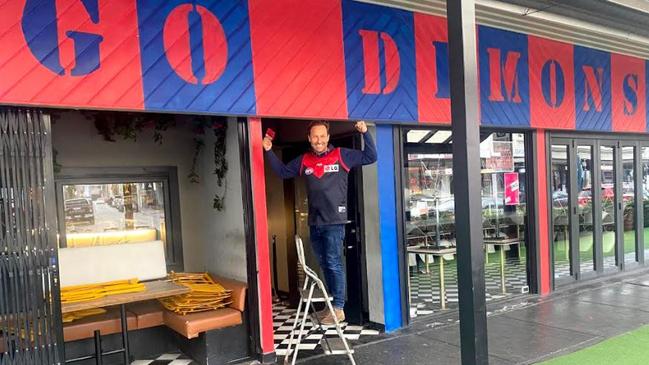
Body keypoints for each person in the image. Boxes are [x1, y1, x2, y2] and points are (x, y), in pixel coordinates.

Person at [263, 120, 377, 324]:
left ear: (328, 137)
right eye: (315, 136)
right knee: (324, 264)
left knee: (333, 263)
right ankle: (331, 305)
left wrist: (365, 133)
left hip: (334, 221)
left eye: (322, 136)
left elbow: (371, 156)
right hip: (315, 222)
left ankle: (339, 308)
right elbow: (281, 172)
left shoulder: (342, 155)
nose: (319, 140)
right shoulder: (304, 160)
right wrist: (269, 151)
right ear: (309, 138)